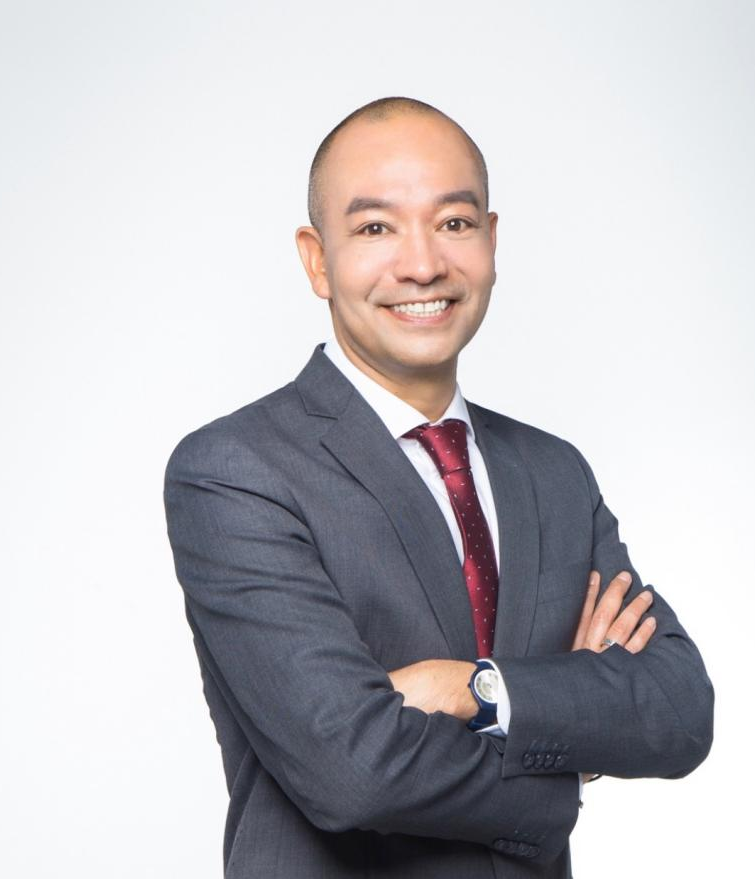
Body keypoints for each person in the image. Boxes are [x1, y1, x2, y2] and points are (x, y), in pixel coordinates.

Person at [163, 96, 714, 879]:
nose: (422, 264)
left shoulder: (552, 473)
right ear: (316, 259)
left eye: (453, 223)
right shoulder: (237, 471)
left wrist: (473, 689)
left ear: (491, 240)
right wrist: (568, 747)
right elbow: (353, 770)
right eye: (375, 228)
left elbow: (678, 710)